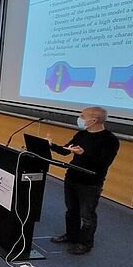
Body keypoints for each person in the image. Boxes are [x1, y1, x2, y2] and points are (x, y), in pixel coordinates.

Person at [49, 106, 120, 255]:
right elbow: (65, 150)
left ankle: (85, 243)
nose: (79, 119)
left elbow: (103, 163)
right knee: (71, 210)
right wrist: (51, 146)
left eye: (82, 116)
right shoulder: (81, 134)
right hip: (72, 176)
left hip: (90, 182)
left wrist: (83, 153)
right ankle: (71, 235)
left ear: (93, 120)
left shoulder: (110, 140)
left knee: (87, 214)